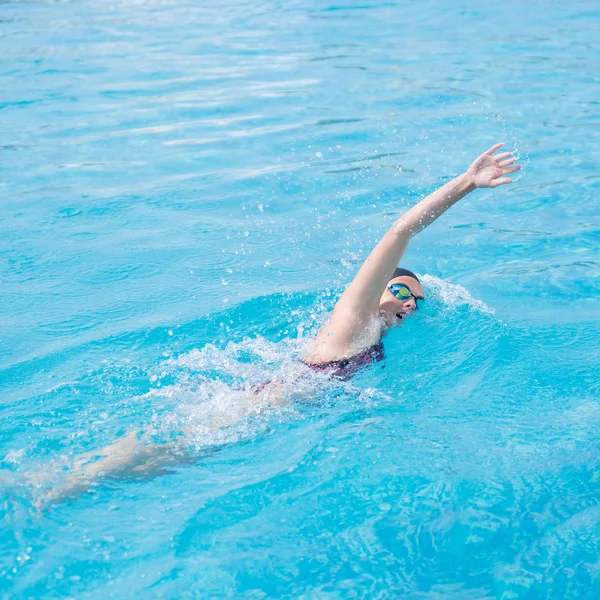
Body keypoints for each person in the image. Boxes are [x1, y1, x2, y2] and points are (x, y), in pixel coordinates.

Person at [36, 143, 520, 506]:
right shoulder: (354, 315)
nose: (409, 304)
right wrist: (465, 184)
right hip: (272, 401)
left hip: (278, 397)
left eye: (416, 299)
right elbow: (400, 231)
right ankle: (56, 486)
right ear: (377, 290)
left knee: (170, 450)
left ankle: (62, 477)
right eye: (400, 290)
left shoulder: (371, 333)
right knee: (172, 452)